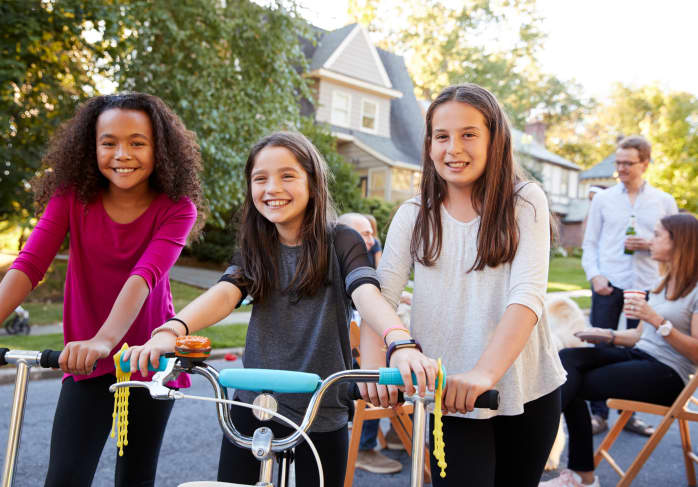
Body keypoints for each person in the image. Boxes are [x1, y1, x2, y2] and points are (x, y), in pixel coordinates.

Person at [124, 132, 437, 487]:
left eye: (287, 176)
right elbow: (226, 293)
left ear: (313, 183)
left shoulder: (341, 239)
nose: (273, 187)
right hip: (252, 402)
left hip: (320, 408)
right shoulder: (256, 245)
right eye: (261, 178)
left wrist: (399, 342)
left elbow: (366, 293)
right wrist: (171, 331)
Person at [0, 93, 205, 486]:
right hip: (84, 360)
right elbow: (29, 265)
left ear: (159, 149)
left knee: (135, 477)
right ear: (91, 147)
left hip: (147, 360)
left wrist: (104, 339)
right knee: (65, 476)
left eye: (137, 142)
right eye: (108, 142)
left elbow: (144, 275)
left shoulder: (177, 208)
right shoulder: (71, 199)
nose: (122, 153)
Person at [358, 83, 566, 486]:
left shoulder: (525, 201)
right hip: (450, 396)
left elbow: (527, 295)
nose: (453, 148)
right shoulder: (414, 214)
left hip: (527, 389)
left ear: (495, 139)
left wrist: (484, 374)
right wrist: (371, 369)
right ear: (429, 144)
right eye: (442, 136)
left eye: (469, 134)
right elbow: (379, 298)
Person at [542, 213, 698, 487]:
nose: (650, 240)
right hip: (641, 354)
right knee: (566, 360)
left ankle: (548, 453)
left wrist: (658, 321)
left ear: (679, 243)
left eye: (658, 235)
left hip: (669, 374)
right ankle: (575, 470)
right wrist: (607, 335)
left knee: (571, 382)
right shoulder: (663, 282)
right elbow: (639, 335)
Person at [581, 135, 678, 435]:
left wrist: (650, 243)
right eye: (618, 162)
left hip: (649, 285)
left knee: (641, 348)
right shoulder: (604, 199)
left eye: (627, 163)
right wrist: (595, 275)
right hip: (609, 284)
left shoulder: (664, 201)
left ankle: (630, 414)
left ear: (645, 164)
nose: (620, 168)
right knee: (598, 340)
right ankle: (599, 414)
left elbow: (677, 245)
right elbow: (590, 243)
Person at [338, 212, 403, 475]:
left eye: (370, 233)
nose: (371, 239)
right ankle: (365, 446)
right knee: (378, 372)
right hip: (349, 354)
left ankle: (399, 433)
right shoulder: (340, 268)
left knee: (404, 363)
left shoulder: (364, 261)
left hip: (362, 347)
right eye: (363, 233)